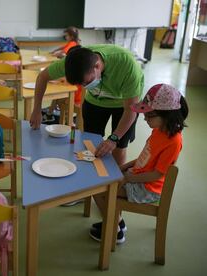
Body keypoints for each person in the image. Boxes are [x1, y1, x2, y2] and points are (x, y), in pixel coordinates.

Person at [89, 83, 188, 244]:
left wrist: (128, 178)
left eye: (150, 115)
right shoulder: (159, 130)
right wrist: (123, 167)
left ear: (167, 115)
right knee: (101, 182)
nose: (145, 118)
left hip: (148, 188)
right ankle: (117, 222)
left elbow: (157, 174)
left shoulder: (173, 141)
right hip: (139, 178)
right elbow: (145, 157)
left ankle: (114, 231)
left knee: (98, 189)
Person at [30, 45, 144, 165]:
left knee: (119, 146)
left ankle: (116, 182)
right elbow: (42, 77)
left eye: (88, 82)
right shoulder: (73, 63)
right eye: (82, 84)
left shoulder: (126, 65)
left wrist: (113, 139)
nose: (85, 86)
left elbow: (131, 110)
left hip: (124, 104)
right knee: (90, 143)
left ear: (97, 66)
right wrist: (37, 109)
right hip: (95, 101)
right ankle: (94, 178)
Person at [43, 27, 82, 123]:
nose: (65, 37)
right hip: (78, 97)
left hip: (74, 99)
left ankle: (53, 115)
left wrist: (54, 80)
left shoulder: (72, 45)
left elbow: (63, 52)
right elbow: (62, 49)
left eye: (66, 35)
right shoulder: (78, 68)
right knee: (58, 94)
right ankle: (50, 113)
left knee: (57, 95)